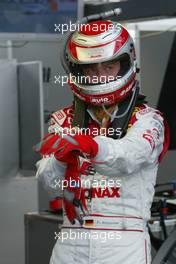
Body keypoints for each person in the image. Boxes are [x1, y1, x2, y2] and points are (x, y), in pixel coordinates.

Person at [36, 19, 170, 264]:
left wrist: (91, 145)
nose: (100, 76)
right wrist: (59, 160)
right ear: (79, 71)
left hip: (123, 242)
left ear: (126, 63)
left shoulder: (149, 120)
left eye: (108, 66)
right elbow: (50, 184)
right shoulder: (63, 119)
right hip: (71, 240)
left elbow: (129, 158)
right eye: (91, 69)